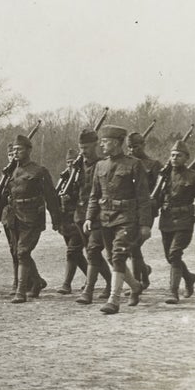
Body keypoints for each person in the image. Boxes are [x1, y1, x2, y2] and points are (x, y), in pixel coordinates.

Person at [84, 125, 152, 315]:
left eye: (105, 142)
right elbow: (94, 195)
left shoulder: (133, 164)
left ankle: (114, 299)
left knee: (118, 255)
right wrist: (90, 217)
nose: (102, 145)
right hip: (105, 217)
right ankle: (135, 286)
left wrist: (145, 224)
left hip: (127, 218)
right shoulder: (100, 165)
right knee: (111, 257)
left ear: (115, 143)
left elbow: (144, 197)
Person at [3, 134, 61, 304]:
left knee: (22, 252)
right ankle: (37, 282)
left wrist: (56, 219)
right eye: (13, 150)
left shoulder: (39, 171)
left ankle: (21, 291)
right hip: (15, 216)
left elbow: (51, 196)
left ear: (29, 150)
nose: (15, 153)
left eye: (19, 149)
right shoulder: (11, 171)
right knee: (19, 252)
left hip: (32, 217)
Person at [156, 140, 195, 304]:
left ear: (186, 158)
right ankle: (189, 278)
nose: (174, 158)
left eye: (179, 155)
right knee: (170, 257)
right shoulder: (164, 176)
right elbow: (157, 199)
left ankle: (173, 292)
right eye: (172, 155)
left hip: (184, 222)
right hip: (166, 220)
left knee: (174, 253)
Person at [72, 129, 113, 305]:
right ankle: (111, 282)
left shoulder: (102, 165)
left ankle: (88, 290)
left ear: (95, 146)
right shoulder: (76, 167)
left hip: (98, 214)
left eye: (87, 147)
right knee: (91, 253)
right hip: (80, 215)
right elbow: (75, 190)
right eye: (81, 148)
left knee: (93, 250)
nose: (83, 151)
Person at [126, 132, 162, 290]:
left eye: (136, 146)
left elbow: (161, 189)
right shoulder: (127, 163)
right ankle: (144, 275)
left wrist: (155, 203)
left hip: (147, 210)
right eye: (130, 147)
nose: (132, 150)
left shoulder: (154, 165)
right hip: (129, 210)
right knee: (134, 246)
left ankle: (138, 282)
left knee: (134, 245)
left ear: (143, 145)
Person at [56, 149, 87, 294]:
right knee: (76, 254)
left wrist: (72, 197)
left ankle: (66, 284)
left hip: (78, 220)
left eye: (72, 162)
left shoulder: (82, 176)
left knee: (72, 252)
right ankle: (92, 278)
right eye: (68, 162)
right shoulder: (64, 177)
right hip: (65, 222)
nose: (70, 165)